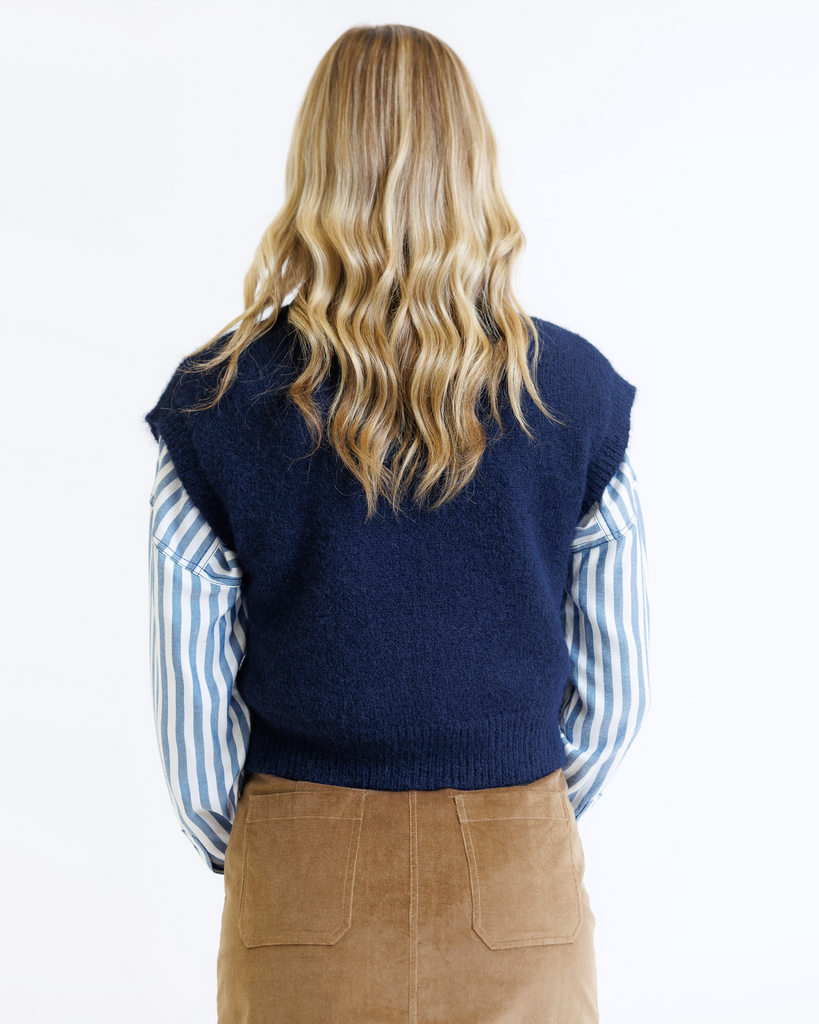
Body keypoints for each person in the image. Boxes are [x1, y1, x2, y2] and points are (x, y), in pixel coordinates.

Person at [144, 23, 650, 1024]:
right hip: (519, 869)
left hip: (297, 857)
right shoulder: (577, 396)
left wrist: (278, 840)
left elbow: (196, 733)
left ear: (314, 168)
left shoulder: (214, 403)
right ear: (473, 166)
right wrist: (517, 809)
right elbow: (617, 696)